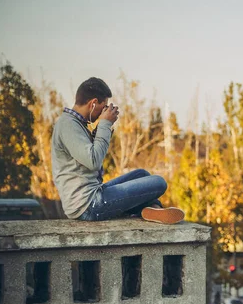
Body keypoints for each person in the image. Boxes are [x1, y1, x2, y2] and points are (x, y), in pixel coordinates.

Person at [51, 77, 184, 224]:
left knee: (142, 174)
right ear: (93, 103)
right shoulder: (68, 125)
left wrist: (100, 129)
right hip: (88, 205)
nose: (105, 111)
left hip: (94, 195)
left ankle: (152, 210)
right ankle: (149, 208)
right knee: (159, 182)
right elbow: (93, 161)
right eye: (104, 107)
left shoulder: (76, 124)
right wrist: (105, 124)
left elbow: (89, 156)